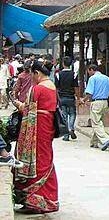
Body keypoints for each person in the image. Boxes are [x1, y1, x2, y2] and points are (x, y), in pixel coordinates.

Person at [13, 59, 59, 213]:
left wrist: (18, 104)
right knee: (45, 159)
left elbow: (27, 109)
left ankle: (33, 201)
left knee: (36, 160)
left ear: (37, 73)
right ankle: (47, 199)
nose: (31, 78)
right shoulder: (52, 86)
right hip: (47, 127)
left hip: (37, 128)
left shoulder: (38, 88)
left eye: (32, 75)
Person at [79, 64, 109, 151]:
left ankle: (105, 139)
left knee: (96, 123)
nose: (88, 73)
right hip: (105, 102)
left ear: (91, 70)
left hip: (96, 101)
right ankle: (94, 142)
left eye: (88, 71)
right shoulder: (106, 78)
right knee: (98, 120)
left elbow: (89, 93)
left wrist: (84, 100)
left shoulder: (92, 78)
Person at [56, 57, 79, 141]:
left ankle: (66, 135)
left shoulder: (58, 74)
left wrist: (57, 99)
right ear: (71, 64)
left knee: (64, 115)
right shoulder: (74, 74)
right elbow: (76, 87)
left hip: (62, 97)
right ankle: (71, 128)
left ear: (63, 64)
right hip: (71, 97)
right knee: (72, 114)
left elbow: (57, 88)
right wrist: (78, 98)